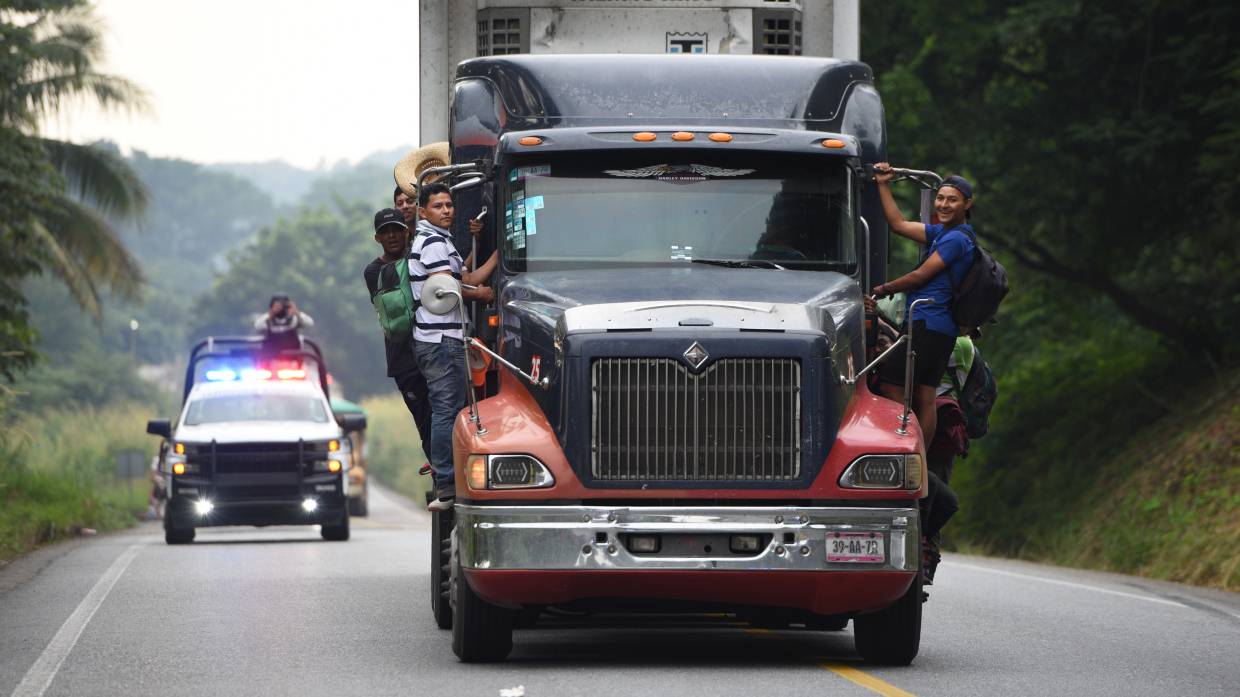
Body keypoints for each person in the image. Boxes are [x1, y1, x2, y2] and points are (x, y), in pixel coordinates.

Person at [870, 165, 976, 453]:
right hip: (940, 327)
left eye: (952, 200)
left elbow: (921, 276)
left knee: (892, 386)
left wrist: (882, 290)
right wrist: (883, 184)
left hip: (928, 322)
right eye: (940, 198)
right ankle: (921, 456)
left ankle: (905, 449)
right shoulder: (945, 233)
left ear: (967, 204)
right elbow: (899, 225)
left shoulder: (956, 239)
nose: (943, 204)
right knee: (925, 393)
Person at [410, 183, 496, 510]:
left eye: (449, 205)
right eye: (438, 206)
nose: (446, 210)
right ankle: (445, 483)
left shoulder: (440, 241)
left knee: (453, 407)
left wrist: (495, 256)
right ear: (422, 212)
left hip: (446, 337)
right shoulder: (431, 242)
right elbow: (452, 289)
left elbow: (465, 276)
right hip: (441, 339)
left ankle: (449, 478)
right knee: (446, 409)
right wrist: (481, 295)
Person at [364, 207, 433, 461]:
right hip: (403, 359)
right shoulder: (374, 272)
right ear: (377, 238)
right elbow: (404, 282)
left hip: (432, 346)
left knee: (444, 414)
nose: (392, 236)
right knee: (424, 421)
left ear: (405, 232)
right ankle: (440, 476)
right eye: (385, 232)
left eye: (397, 230)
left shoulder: (419, 255)